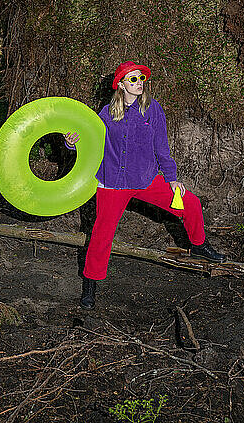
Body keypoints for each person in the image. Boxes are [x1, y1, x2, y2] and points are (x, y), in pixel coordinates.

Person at [64, 61, 226, 309]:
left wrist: (171, 179)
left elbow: (162, 147)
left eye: (141, 78)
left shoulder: (153, 109)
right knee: (100, 235)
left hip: (145, 180)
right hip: (112, 184)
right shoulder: (107, 113)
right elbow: (88, 142)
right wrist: (71, 143)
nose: (139, 82)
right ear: (120, 84)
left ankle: (199, 245)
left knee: (190, 202)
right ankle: (90, 284)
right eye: (133, 79)